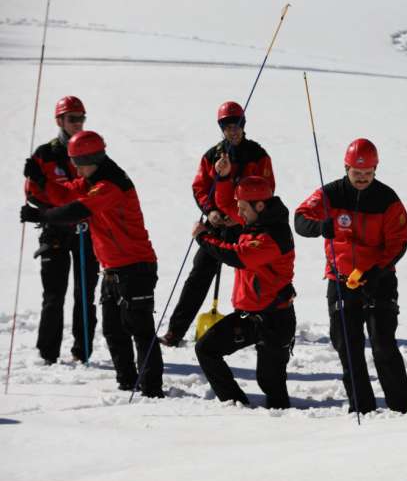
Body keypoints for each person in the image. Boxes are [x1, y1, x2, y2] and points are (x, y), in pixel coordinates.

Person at [20, 131, 163, 397]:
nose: (74, 167)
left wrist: (41, 215)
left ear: (92, 158)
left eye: (77, 162)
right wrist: (41, 180)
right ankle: (127, 383)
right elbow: (64, 195)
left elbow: (77, 210)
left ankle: (152, 390)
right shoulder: (91, 179)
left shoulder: (111, 185)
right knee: (112, 329)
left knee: (140, 330)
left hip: (136, 267)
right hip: (111, 269)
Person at [294, 138, 407, 414]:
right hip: (340, 280)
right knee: (348, 345)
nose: (362, 178)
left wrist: (378, 270)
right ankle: (362, 407)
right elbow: (300, 218)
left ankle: (400, 405)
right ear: (346, 167)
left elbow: (399, 241)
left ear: (376, 169)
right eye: (357, 173)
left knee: (382, 342)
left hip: (378, 279)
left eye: (368, 173)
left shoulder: (387, 199)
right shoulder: (331, 194)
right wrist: (319, 226)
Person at [159, 101, 275, 347]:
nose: (233, 130)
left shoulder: (258, 155)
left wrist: (241, 215)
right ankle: (175, 331)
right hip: (218, 225)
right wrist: (210, 211)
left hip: (247, 226)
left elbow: (267, 189)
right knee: (198, 275)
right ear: (221, 127)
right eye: (227, 126)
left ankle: (261, 329)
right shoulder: (212, 156)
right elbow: (200, 187)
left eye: (237, 125)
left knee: (253, 277)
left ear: (244, 125)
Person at [192, 176, 296, 408]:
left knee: (270, 383)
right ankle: (236, 406)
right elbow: (226, 204)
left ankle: (283, 426)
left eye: (243, 208)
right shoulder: (255, 219)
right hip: (248, 315)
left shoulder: (273, 235)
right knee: (206, 349)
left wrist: (203, 237)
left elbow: (237, 256)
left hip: (275, 319)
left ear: (259, 205)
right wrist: (225, 177)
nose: (238, 213)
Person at [22, 96, 99, 364]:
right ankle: (47, 353)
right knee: (53, 295)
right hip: (55, 232)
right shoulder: (44, 154)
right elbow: (33, 194)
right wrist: (51, 206)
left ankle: (83, 350)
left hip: (87, 233)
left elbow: (92, 195)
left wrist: (62, 202)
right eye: (72, 118)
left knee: (85, 293)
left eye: (81, 118)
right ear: (59, 120)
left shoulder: (92, 149)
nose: (77, 123)